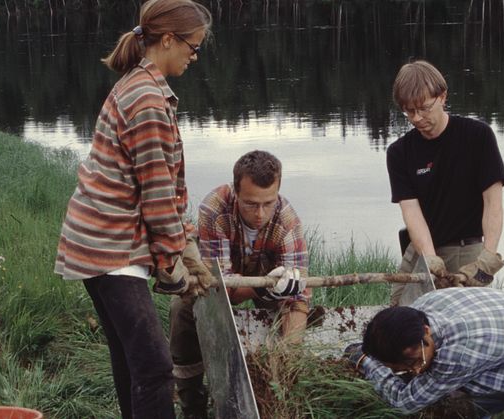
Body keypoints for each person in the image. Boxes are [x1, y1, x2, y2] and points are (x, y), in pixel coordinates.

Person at [54, 1, 212, 417]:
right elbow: (156, 193)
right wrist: (170, 262)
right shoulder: (146, 99)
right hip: (111, 248)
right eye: (193, 47)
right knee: (157, 368)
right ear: (167, 39)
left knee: (131, 359)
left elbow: (164, 183)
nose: (194, 56)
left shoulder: (141, 84)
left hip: (98, 241)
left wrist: (187, 242)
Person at [169, 150, 309, 418]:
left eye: (268, 203)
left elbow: (298, 300)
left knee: (291, 320)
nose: (260, 214)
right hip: (226, 286)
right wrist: (260, 287)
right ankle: (192, 404)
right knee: (181, 310)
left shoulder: (288, 222)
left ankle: (276, 398)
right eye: (250, 204)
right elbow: (221, 290)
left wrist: (288, 358)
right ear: (236, 191)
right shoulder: (214, 208)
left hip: (269, 293)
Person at [345, 287, 504, 419]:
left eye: (415, 361)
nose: (416, 370)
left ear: (426, 331)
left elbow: (404, 402)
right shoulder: (420, 308)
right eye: (402, 367)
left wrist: (364, 361)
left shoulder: (459, 352)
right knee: (455, 409)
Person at [386, 60, 504, 306]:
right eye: (409, 111)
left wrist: (487, 257)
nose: (417, 118)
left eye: (423, 108)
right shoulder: (399, 152)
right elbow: (411, 212)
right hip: (424, 249)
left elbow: (492, 204)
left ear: (442, 97)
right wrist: (429, 258)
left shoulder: (478, 136)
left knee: (464, 320)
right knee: (400, 314)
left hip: (469, 249)